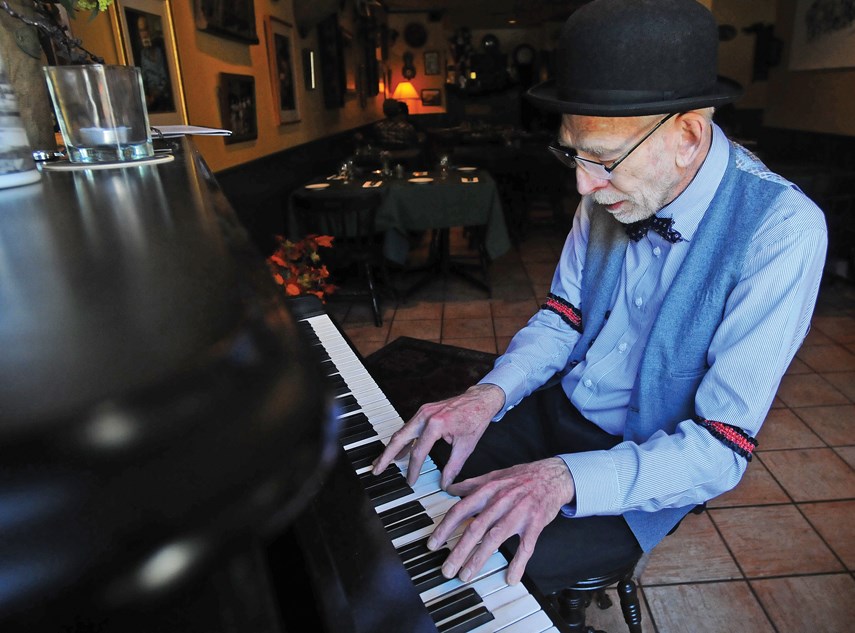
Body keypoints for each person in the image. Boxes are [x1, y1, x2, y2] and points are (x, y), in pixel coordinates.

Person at [371, 0, 827, 600]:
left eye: (605, 161)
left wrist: (562, 479)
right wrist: (489, 394)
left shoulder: (782, 232)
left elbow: (721, 448)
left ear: (687, 135)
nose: (583, 186)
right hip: (558, 410)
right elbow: (563, 317)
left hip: (643, 462)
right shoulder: (608, 188)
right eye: (573, 154)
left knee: (479, 571)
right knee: (415, 484)